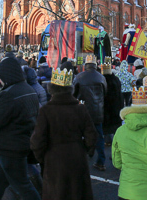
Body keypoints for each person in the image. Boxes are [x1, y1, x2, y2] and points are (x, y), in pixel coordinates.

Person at [30, 67, 98, 200]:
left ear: (52, 89)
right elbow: (91, 135)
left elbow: (37, 140)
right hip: (77, 156)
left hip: (54, 158)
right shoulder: (80, 108)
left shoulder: (46, 111)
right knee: (77, 192)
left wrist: (42, 158)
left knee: (57, 193)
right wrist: (86, 150)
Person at [0, 55, 41, 200]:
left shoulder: (9, 94)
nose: (0, 81)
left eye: (1, 77)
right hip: (20, 143)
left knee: (23, 185)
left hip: (10, 147)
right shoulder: (27, 89)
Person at [73, 54, 107, 171]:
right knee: (99, 136)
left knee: (80, 135)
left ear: (85, 65)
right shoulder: (101, 77)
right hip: (98, 110)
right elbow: (105, 92)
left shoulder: (79, 77)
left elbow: (73, 94)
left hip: (83, 110)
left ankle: (80, 160)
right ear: (95, 65)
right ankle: (101, 161)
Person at [101, 63, 123, 147]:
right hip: (116, 105)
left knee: (107, 125)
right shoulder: (116, 79)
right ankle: (117, 141)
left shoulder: (102, 80)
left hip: (106, 106)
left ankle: (108, 141)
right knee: (115, 126)